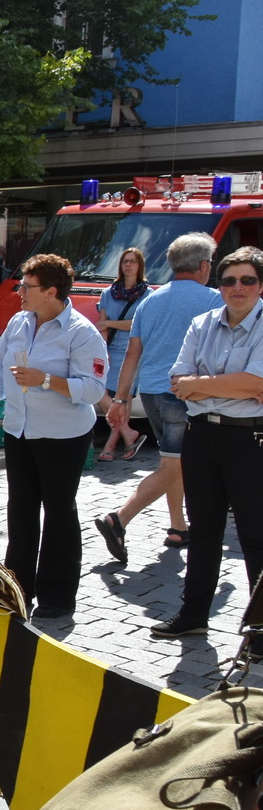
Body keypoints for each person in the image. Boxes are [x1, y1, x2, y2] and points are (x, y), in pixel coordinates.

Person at [0, 254, 107, 619]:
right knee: (21, 511)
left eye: (27, 287)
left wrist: (44, 380)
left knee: (59, 513)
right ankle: (18, 590)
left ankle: (58, 599)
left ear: (51, 291)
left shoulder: (81, 332)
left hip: (63, 436)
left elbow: (93, 390)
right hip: (19, 429)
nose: (20, 292)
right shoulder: (18, 322)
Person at [147, 247, 263, 639]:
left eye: (247, 280)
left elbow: (257, 383)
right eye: (229, 280)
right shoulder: (202, 322)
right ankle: (193, 615)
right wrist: (232, 385)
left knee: (255, 534)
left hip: (251, 438)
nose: (237, 288)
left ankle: (261, 628)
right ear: (218, 284)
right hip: (202, 437)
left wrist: (204, 386)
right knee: (204, 530)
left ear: (260, 285)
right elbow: (178, 382)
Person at [94, 233, 219, 566]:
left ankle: (178, 527)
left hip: (150, 391)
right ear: (205, 265)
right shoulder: (213, 299)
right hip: (186, 393)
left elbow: (132, 354)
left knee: (171, 461)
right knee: (173, 465)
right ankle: (118, 519)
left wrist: (121, 399)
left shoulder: (149, 300)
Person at [93, 247, 148, 461]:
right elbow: (101, 325)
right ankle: (127, 434)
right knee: (103, 394)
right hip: (111, 349)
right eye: (125, 261)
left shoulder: (148, 294)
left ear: (139, 265)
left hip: (133, 350)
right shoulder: (109, 292)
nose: (128, 265)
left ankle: (111, 444)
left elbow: (138, 325)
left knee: (123, 398)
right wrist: (102, 350)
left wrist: (109, 322)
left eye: (133, 261)